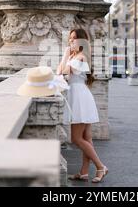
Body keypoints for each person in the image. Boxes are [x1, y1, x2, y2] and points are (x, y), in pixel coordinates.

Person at [56, 28, 108, 183]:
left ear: (81, 41)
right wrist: (67, 55)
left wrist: (65, 55)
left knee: (76, 138)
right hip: (79, 96)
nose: (71, 41)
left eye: (74, 38)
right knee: (87, 138)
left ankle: (100, 167)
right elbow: (62, 73)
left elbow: (61, 73)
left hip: (80, 98)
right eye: (70, 39)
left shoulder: (81, 57)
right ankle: (84, 172)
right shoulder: (75, 56)